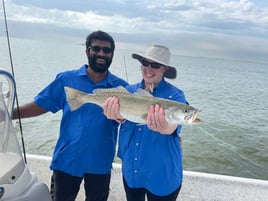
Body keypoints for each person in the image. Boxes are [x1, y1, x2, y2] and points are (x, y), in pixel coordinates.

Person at [12, 30, 128, 201]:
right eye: (96, 48)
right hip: (67, 159)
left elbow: (133, 118)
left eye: (107, 50)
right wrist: (8, 115)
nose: (101, 53)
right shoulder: (66, 79)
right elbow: (41, 104)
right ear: (87, 51)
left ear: (112, 54)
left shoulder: (122, 88)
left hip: (100, 162)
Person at [103, 44, 188, 201]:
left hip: (162, 175)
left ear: (165, 69)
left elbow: (173, 127)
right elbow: (119, 120)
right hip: (132, 170)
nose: (148, 69)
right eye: (145, 63)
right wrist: (114, 115)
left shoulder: (176, 96)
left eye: (155, 65)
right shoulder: (128, 91)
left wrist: (164, 127)